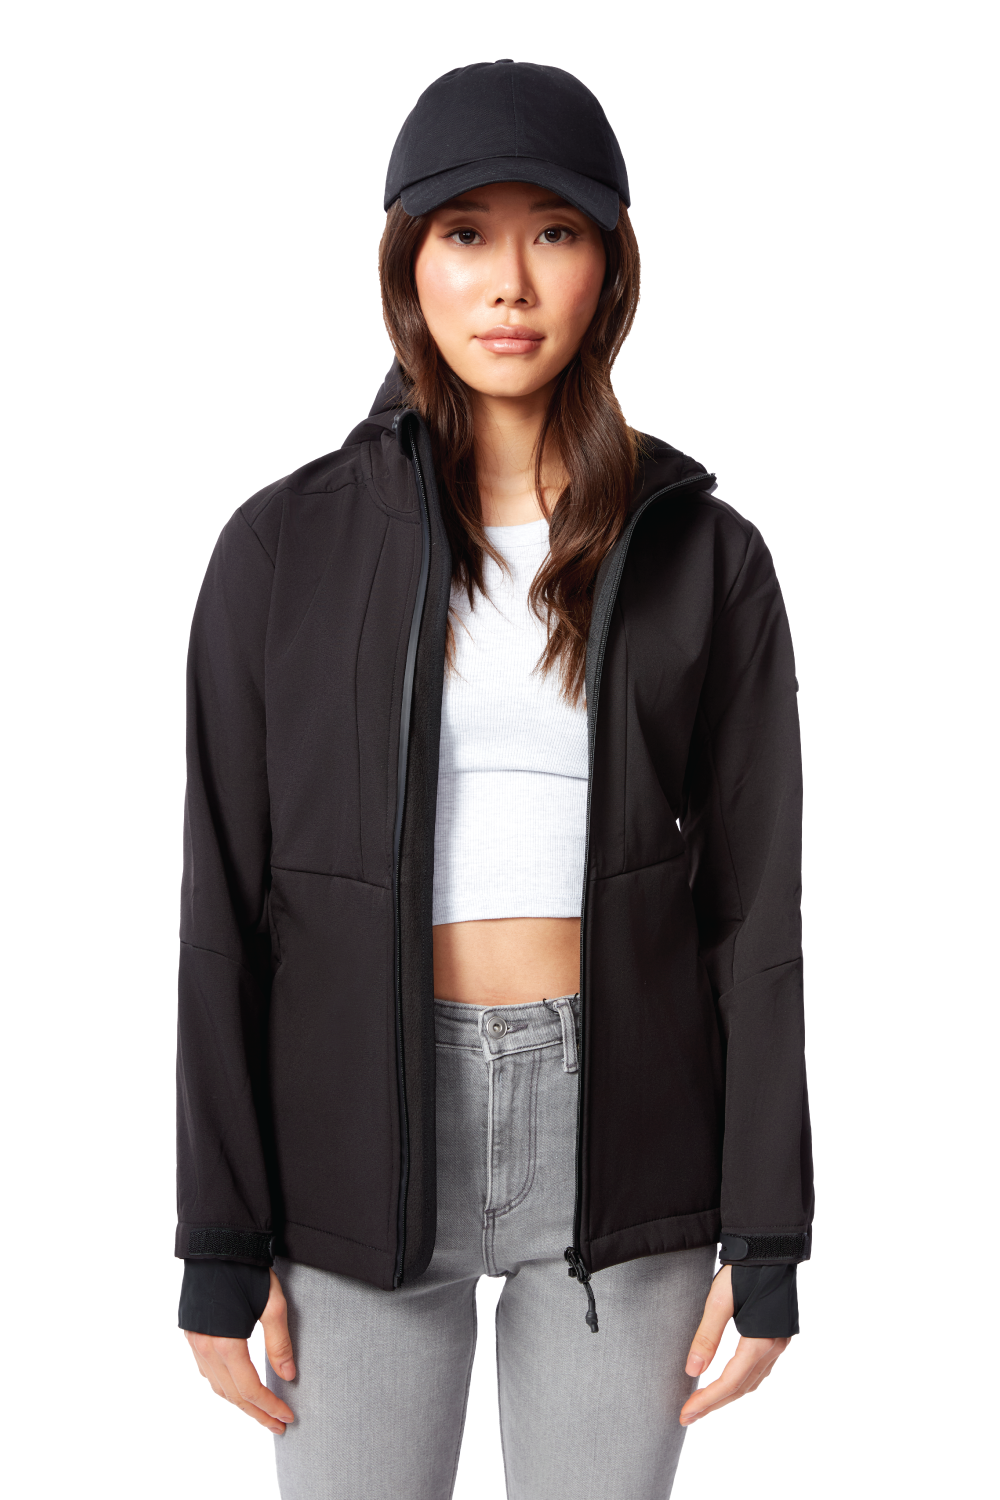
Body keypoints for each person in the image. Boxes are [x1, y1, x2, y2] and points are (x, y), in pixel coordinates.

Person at [176, 59, 813, 1500]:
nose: (510, 282)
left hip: (630, 1138)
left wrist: (768, 1232)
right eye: (466, 232)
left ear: (612, 265)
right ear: (407, 261)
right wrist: (217, 1235)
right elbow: (223, 912)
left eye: (555, 231)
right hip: (348, 1139)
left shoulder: (709, 557)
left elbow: (758, 922)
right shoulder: (278, 550)